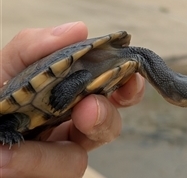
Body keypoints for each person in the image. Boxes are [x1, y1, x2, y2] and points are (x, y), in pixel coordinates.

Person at [0, 22, 145, 178]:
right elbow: (81, 74)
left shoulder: (129, 63)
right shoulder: (106, 60)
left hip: (36, 122)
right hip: (18, 111)